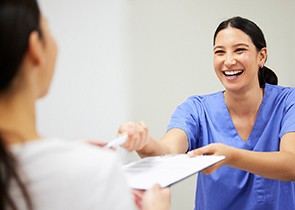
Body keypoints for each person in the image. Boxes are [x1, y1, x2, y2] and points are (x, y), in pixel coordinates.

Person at [118, 16, 295, 210]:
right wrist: (143, 142)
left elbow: (291, 165)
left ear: (261, 56)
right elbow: (167, 151)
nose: (229, 61)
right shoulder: (196, 109)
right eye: (220, 52)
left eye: (239, 50)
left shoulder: (290, 102)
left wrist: (230, 156)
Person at [0, 0, 170, 210]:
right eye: (48, 26)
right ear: (35, 47)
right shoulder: (95, 172)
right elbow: (172, 151)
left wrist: (67, 152)